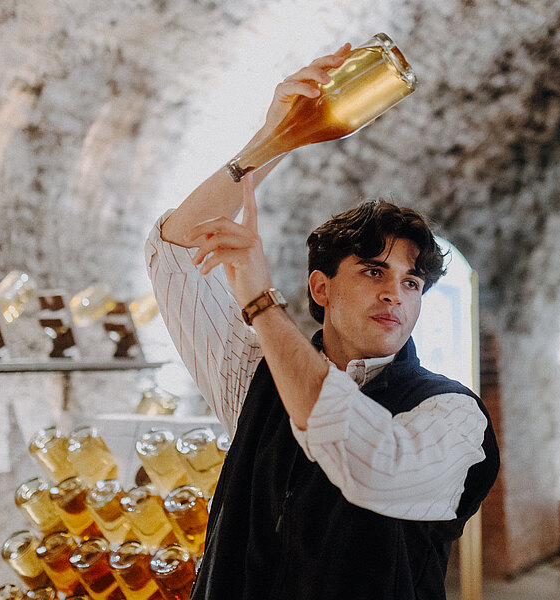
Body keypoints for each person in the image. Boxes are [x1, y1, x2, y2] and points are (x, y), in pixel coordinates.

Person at [144, 43, 499, 600]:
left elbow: (372, 465)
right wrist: (273, 140)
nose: (395, 293)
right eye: (373, 271)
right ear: (320, 287)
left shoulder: (452, 414)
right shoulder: (253, 373)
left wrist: (260, 303)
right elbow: (174, 251)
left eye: (411, 282)